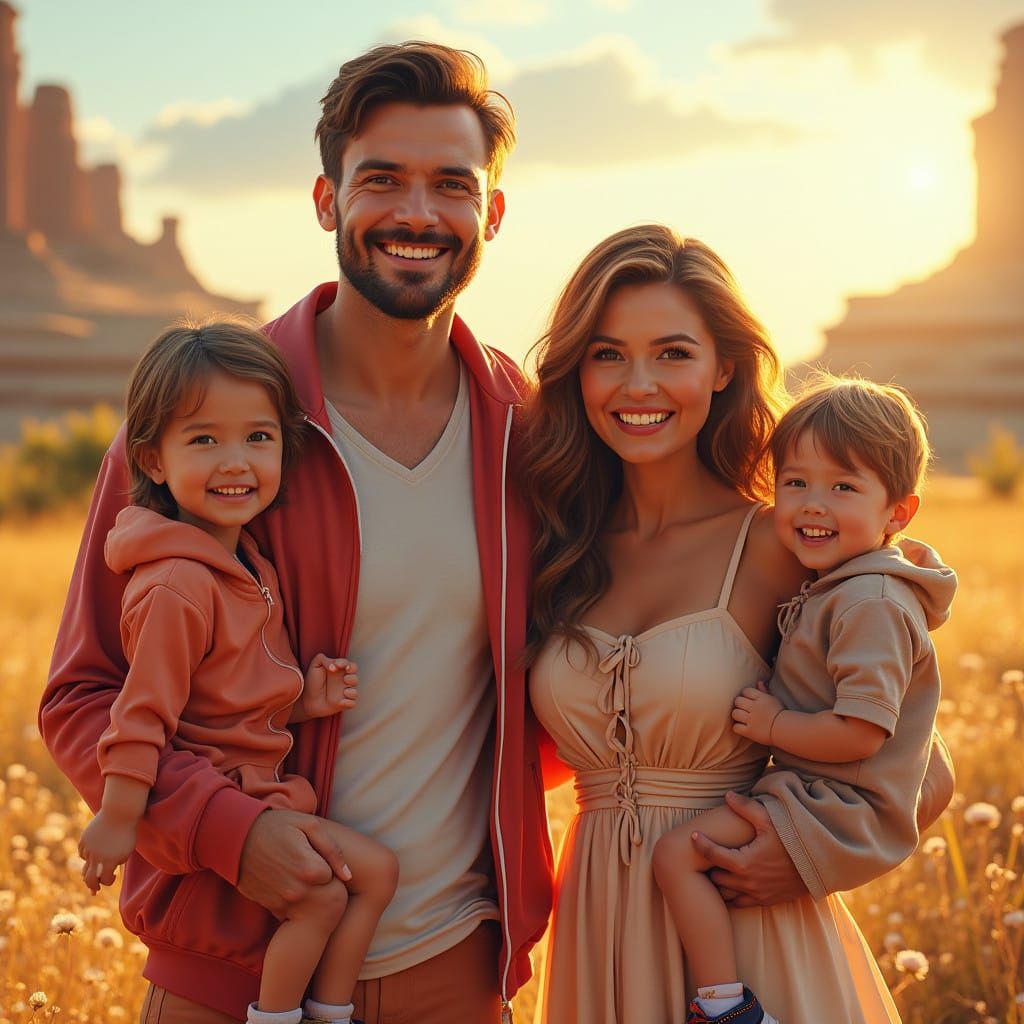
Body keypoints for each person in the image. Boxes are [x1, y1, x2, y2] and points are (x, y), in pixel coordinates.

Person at [42, 43, 554, 1024]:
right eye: (382, 181)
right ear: (326, 200)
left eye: (451, 184)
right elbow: (84, 692)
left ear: (490, 212)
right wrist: (236, 834)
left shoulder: (524, 431)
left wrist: (876, 591)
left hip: (456, 968)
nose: (416, 214)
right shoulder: (208, 423)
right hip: (235, 970)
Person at [521, 224, 953, 1024]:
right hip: (596, 931)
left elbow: (922, 761)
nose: (637, 383)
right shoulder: (557, 547)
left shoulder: (781, 546)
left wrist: (803, 855)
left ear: (724, 366)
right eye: (607, 353)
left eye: (673, 354)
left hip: (749, 943)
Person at [76, 320, 398, 1024]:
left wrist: (302, 701)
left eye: (259, 438)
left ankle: (327, 1010)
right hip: (235, 801)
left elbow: (227, 693)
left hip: (269, 790)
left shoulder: (247, 563)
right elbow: (145, 712)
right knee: (321, 898)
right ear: (152, 462)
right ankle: (277, 1017)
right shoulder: (175, 586)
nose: (235, 463)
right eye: (203, 440)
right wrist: (119, 814)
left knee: (375, 873)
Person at [652, 374, 956, 1024]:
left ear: (898, 513)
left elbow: (862, 734)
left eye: (843, 487)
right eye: (795, 483)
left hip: (834, 803)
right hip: (817, 790)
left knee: (678, 855)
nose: (813, 504)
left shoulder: (869, 602)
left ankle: (727, 1007)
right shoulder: (839, 586)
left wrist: (774, 723)